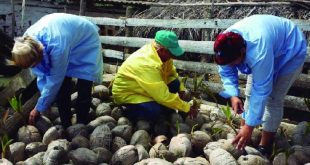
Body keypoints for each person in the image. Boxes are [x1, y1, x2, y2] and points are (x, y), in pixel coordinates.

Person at [213, 15, 307, 155]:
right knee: (249, 94)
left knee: (273, 99)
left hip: (290, 50)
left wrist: (250, 127)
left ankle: (265, 146)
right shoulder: (224, 45)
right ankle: (244, 135)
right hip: (269, 43)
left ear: (242, 52)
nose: (232, 65)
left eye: (234, 62)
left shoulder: (258, 52)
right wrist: (233, 95)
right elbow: (226, 72)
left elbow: (262, 90)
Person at [11, 13, 103, 128]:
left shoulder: (57, 48)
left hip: (85, 39)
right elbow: (41, 73)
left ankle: (81, 125)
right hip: (65, 35)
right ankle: (67, 125)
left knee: (84, 84)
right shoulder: (25, 42)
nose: (32, 67)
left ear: (38, 55)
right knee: (62, 89)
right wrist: (44, 99)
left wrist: (39, 107)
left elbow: (55, 80)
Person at [112, 30, 198, 122]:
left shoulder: (162, 55)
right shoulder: (147, 64)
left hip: (146, 87)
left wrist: (181, 89)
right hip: (129, 93)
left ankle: (161, 105)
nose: (173, 56)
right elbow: (163, 96)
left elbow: (172, 73)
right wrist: (186, 108)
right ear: (162, 50)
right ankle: (125, 111)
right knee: (154, 111)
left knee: (175, 83)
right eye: (171, 53)